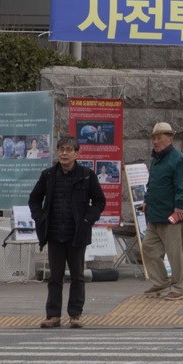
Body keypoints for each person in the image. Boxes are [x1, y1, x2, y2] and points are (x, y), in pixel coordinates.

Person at [27, 135, 106, 327]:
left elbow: (99, 201)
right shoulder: (48, 175)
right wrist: (40, 218)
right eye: (61, 149)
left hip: (77, 234)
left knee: (78, 276)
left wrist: (88, 219)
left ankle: (75, 315)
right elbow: (34, 199)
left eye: (69, 150)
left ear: (77, 153)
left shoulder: (87, 175)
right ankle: (53, 315)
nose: (64, 153)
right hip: (54, 234)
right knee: (55, 277)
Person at [140, 121, 183, 301]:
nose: (155, 141)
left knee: (176, 253)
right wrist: (146, 200)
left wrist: (179, 208)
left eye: (159, 137)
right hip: (155, 214)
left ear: (170, 138)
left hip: (172, 215)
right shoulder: (156, 159)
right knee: (148, 248)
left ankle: (179, 287)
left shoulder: (179, 159)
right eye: (154, 137)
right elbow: (151, 184)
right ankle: (161, 281)